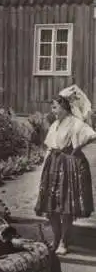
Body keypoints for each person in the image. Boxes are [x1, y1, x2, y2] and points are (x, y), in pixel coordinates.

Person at [35, 90, 96, 255]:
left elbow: (91, 135)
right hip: (53, 165)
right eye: (52, 108)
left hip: (69, 166)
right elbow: (50, 145)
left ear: (63, 107)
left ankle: (64, 240)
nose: (53, 111)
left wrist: (76, 148)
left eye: (55, 108)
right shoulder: (55, 124)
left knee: (66, 205)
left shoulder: (75, 123)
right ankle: (56, 238)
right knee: (51, 205)